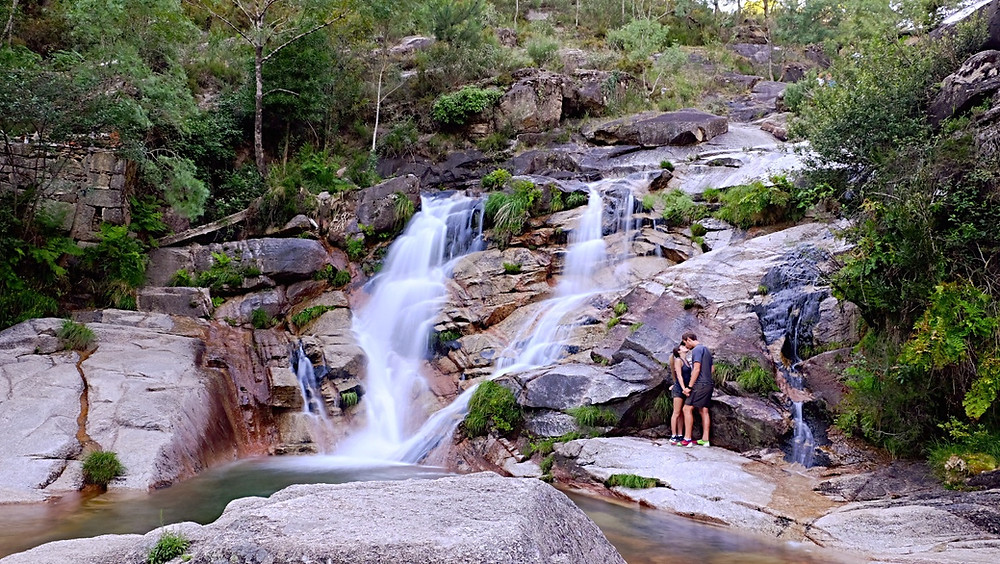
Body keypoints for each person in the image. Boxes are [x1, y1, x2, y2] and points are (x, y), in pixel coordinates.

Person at [681, 332, 713, 447]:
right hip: (709, 383)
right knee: (703, 410)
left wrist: (689, 387)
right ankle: (705, 440)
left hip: (700, 384)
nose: (686, 346)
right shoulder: (707, 350)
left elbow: (696, 369)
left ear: (689, 339)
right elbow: (712, 369)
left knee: (686, 408)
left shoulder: (696, 350)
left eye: (685, 343)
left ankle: (687, 439)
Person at [669, 343, 691, 445]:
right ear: (678, 351)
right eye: (682, 346)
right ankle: (673, 435)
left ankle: (680, 434)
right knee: (676, 412)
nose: (684, 347)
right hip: (679, 389)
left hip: (684, 389)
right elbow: (679, 376)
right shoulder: (678, 361)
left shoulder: (686, 361)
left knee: (682, 413)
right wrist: (683, 389)